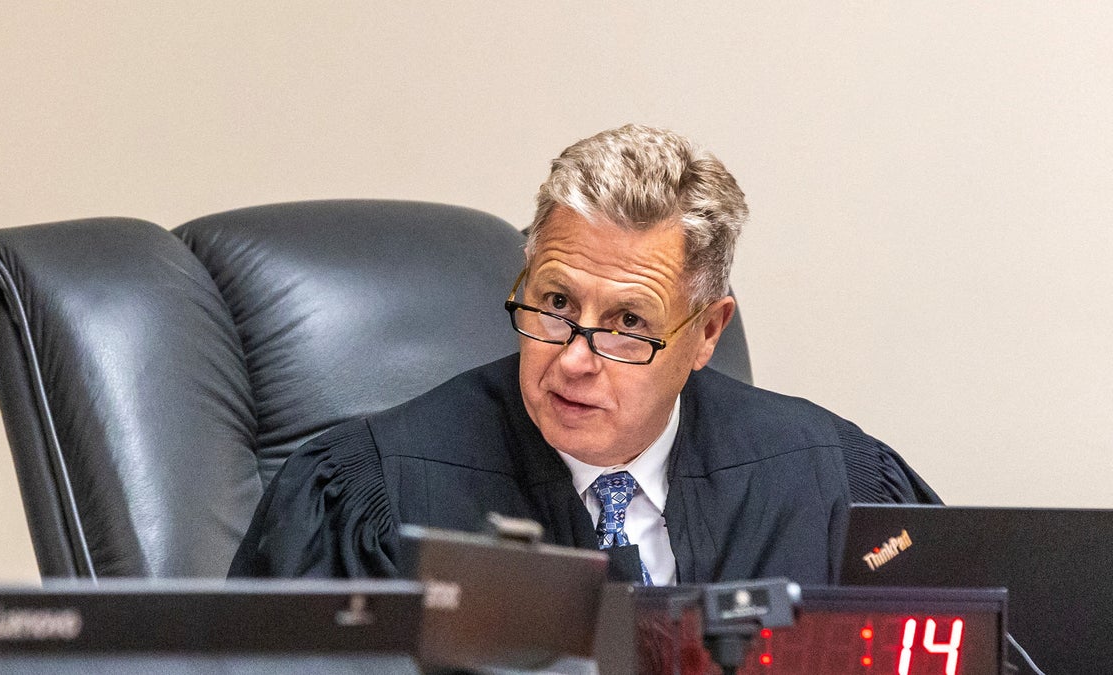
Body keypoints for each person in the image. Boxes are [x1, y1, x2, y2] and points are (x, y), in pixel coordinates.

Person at [229, 124, 938, 585]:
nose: (572, 359)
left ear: (707, 333)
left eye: (629, 321)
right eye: (557, 304)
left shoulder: (830, 483)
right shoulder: (373, 498)